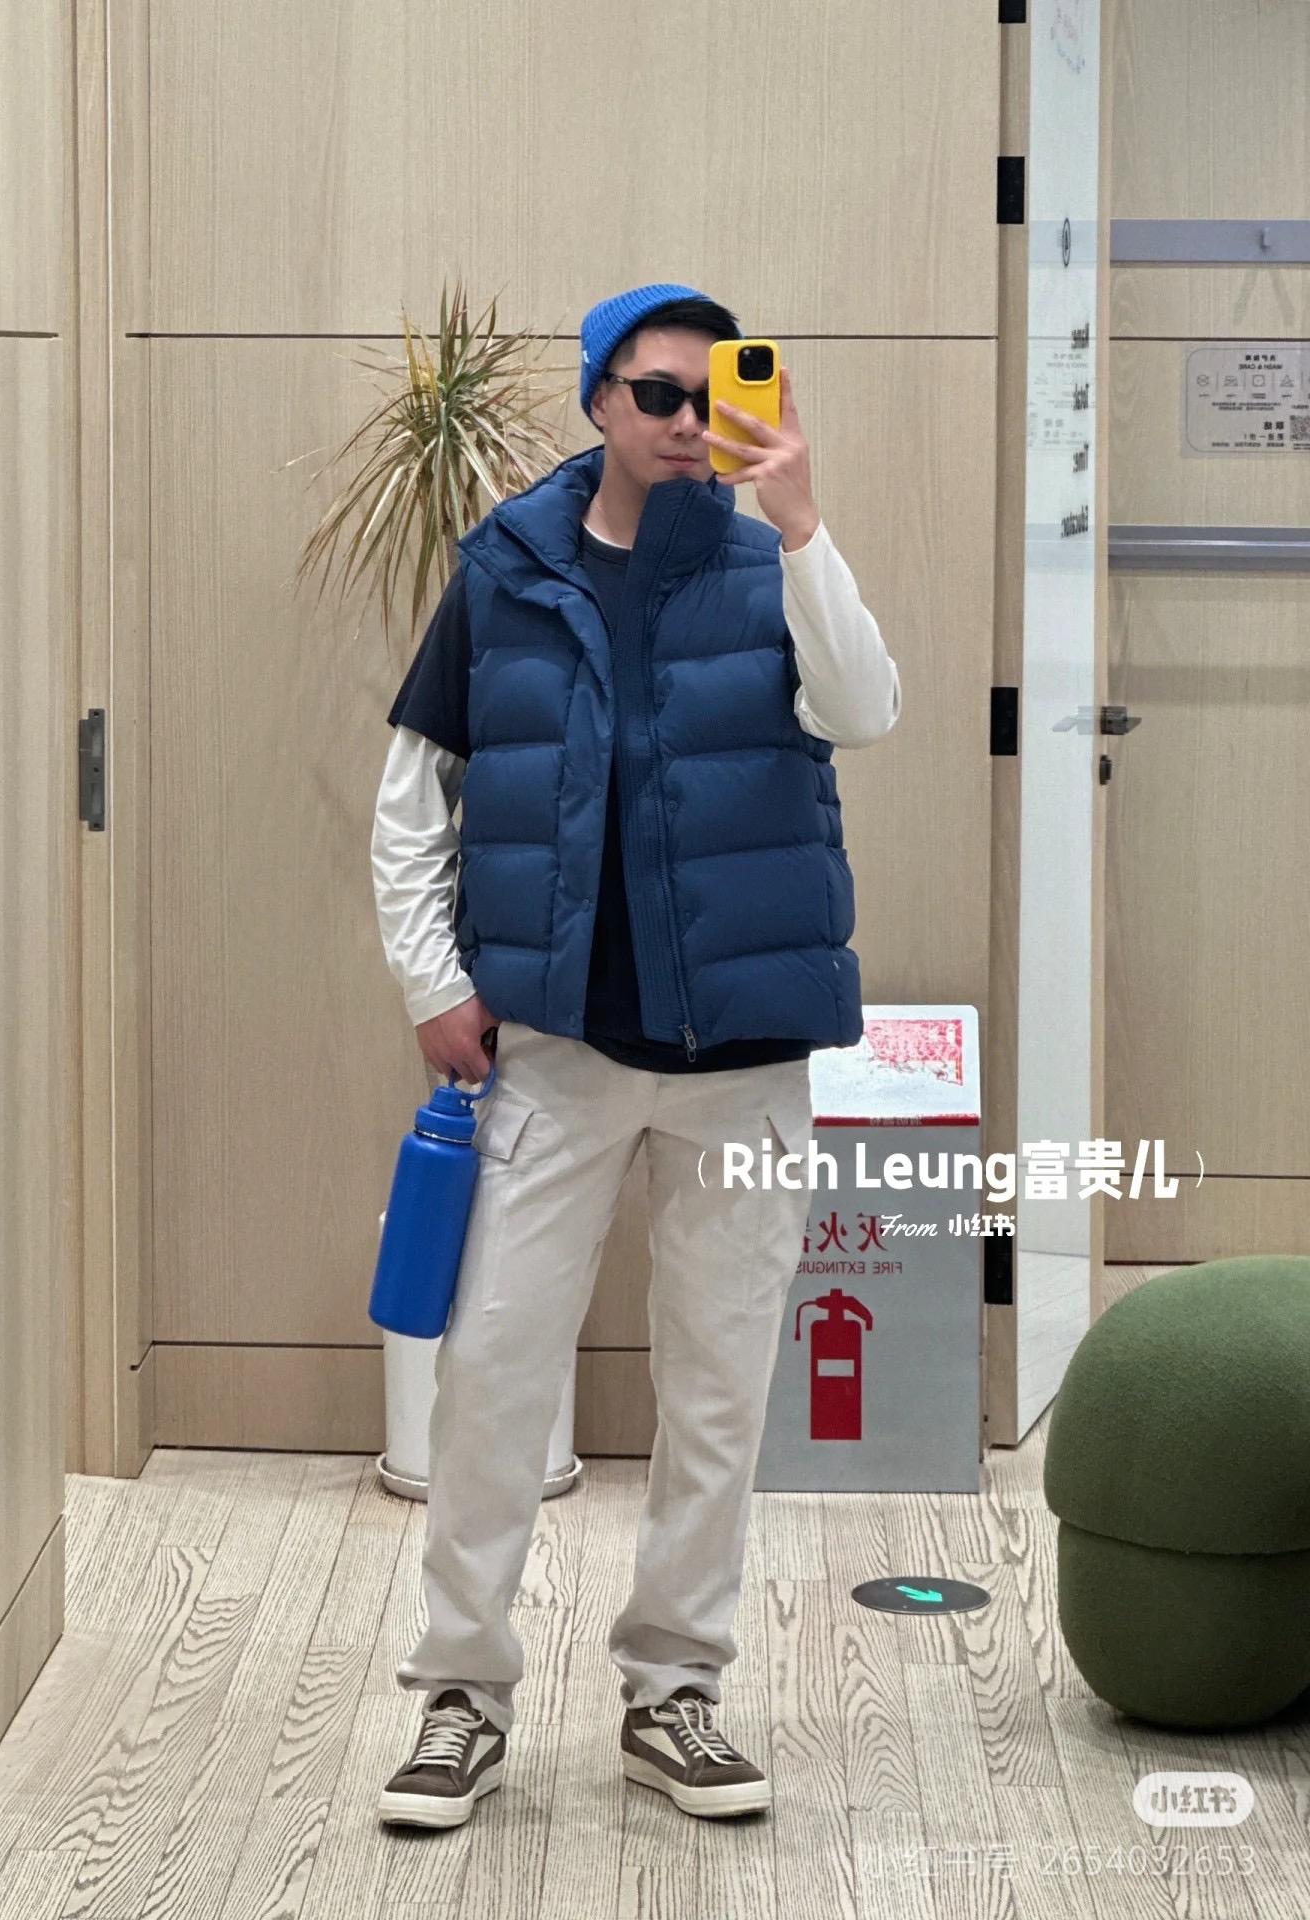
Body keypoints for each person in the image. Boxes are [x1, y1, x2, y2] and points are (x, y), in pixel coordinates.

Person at [369, 283, 901, 1829]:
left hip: (746, 1055)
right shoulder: (506, 568)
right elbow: (414, 793)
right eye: (656, 394)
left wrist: (799, 522)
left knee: (719, 1388)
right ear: (598, 400)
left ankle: (674, 1693)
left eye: (710, 395)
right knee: (494, 1375)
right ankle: (461, 1695)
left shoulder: (767, 559)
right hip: (559, 1047)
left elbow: (865, 709)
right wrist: (431, 981)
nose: (683, 422)